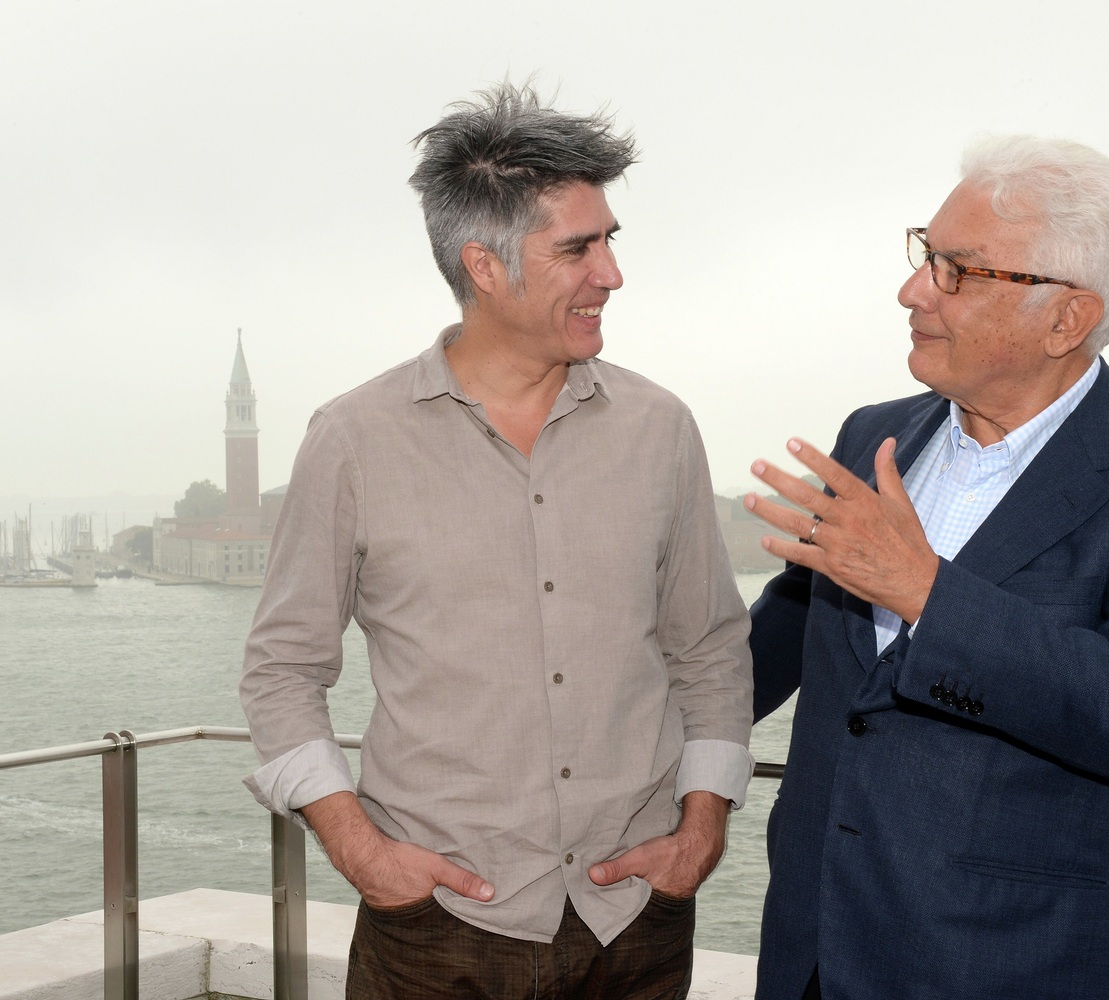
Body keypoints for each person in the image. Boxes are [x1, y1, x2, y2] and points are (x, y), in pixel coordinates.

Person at [240, 81, 754, 999]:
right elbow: (283, 669)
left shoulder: (661, 428)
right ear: (485, 265)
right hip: (436, 929)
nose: (612, 274)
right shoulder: (353, 439)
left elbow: (709, 645)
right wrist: (362, 854)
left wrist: (702, 828)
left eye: (610, 242)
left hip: (635, 915)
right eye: (577, 249)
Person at [742, 135, 1109, 1000]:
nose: (913, 290)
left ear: (1067, 318)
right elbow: (767, 655)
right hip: (812, 952)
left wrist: (926, 592)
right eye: (924, 255)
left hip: (1017, 966)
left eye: (959, 270)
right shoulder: (873, 436)